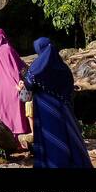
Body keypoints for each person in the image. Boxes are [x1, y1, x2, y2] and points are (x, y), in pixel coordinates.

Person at [23, 37, 91, 168]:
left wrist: (21, 87)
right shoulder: (64, 69)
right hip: (65, 111)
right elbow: (70, 90)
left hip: (45, 113)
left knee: (49, 140)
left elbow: (26, 93)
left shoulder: (36, 69)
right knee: (68, 138)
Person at [0, 28, 30, 144]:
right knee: (19, 116)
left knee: (6, 118)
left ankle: (11, 143)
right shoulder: (7, 49)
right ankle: (23, 141)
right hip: (14, 89)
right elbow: (20, 67)